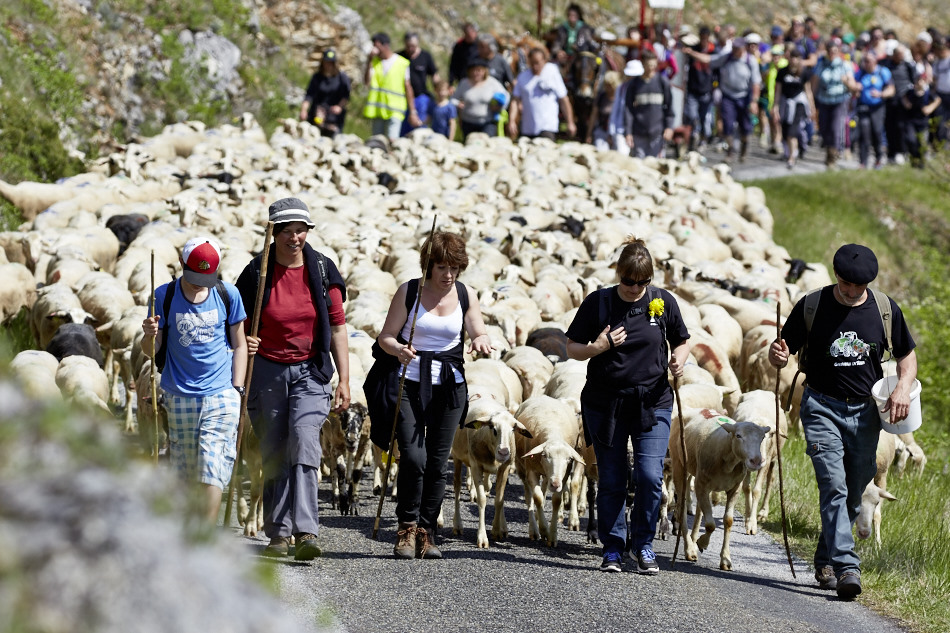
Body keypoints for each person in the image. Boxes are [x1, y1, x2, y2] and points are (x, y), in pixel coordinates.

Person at [768, 244, 917, 601]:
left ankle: (825, 559)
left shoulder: (884, 309)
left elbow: (907, 356)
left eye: (859, 286)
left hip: (867, 414)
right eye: (846, 284)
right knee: (833, 485)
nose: (851, 291)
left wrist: (902, 388)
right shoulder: (812, 305)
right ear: (837, 276)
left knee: (852, 492)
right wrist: (778, 355)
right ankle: (847, 566)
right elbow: (782, 350)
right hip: (821, 406)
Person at [566, 237, 690, 574]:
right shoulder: (600, 303)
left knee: (650, 475)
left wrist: (678, 360)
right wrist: (599, 346)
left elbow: (682, 340)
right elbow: (571, 347)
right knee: (612, 477)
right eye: (629, 281)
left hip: (653, 401)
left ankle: (644, 544)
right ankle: (613, 547)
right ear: (618, 274)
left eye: (642, 282)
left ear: (650, 279)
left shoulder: (663, 302)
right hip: (605, 404)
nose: (635, 288)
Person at [235, 197, 350, 561]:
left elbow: (338, 326)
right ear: (273, 233)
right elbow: (236, 324)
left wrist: (344, 378)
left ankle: (305, 529)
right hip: (266, 369)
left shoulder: (321, 268)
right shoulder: (256, 273)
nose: (295, 237)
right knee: (274, 449)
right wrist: (244, 340)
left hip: (310, 369)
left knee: (303, 440)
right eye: (287, 231)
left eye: (301, 230)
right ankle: (278, 534)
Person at [375, 231, 494, 559]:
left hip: (450, 386)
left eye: (454, 267)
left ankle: (427, 532)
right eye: (441, 267)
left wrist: (480, 340)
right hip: (409, 383)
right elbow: (386, 336)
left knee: (439, 462)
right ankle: (406, 528)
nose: (448, 275)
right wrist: (399, 348)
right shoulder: (409, 291)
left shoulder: (465, 294)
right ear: (428, 266)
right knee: (413, 457)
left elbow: (477, 328)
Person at [141, 237, 248, 523]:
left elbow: (240, 345)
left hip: (221, 393)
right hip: (179, 394)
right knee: (187, 469)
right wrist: (148, 334)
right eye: (194, 276)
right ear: (181, 266)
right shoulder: (163, 295)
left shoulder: (228, 294)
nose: (201, 283)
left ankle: (206, 535)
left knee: (211, 466)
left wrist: (237, 388)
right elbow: (150, 351)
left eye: (206, 277)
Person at [684, 36, 762, 161]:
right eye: (734, 48)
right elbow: (708, 59)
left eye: (737, 48)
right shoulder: (727, 57)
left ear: (743, 48)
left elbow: (756, 83)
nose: (735, 51)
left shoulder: (750, 60)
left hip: (744, 96)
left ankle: (744, 149)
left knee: (745, 126)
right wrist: (691, 53)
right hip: (728, 95)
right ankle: (730, 151)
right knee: (727, 124)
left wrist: (754, 101)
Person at [508, 47, 575, 141]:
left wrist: (570, 122)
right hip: (528, 128)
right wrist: (512, 121)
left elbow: (564, 99)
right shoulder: (522, 77)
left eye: (537, 63)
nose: (535, 67)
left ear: (544, 60)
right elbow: (515, 100)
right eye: (532, 63)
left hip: (547, 126)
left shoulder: (552, 72)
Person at [363, 32, 420, 140]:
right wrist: (369, 60)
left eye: (378, 46)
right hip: (378, 110)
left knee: (392, 140)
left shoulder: (401, 63)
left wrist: (412, 111)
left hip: (395, 110)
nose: (376, 49)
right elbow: (366, 82)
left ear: (386, 45)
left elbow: (408, 87)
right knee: (377, 141)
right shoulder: (374, 62)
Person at [623, 49, 675, 158]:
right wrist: (628, 132)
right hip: (639, 133)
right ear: (642, 64)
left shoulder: (662, 82)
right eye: (648, 65)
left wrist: (669, 127)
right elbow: (628, 109)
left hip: (657, 133)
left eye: (653, 65)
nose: (651, 68)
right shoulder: (634, 84)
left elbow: (669, 108)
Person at [812, 42, 856, 169]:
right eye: (830, 51)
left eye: (835, 51)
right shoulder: (821, 65)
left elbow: (853, 86)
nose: (832, 54)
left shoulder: (845, 66)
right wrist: (812, 102)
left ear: (839, 52)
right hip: (824, 100)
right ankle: (828, 150)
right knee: (824, 128)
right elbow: (814, 84)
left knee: (836, 128)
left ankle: (832, 156)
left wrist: (846, 82)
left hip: (839, 101)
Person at [853, 52, 895, 169]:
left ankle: (878, 159)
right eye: (864, 61)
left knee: (877, 132)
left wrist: (881, 94)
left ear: (875, 61)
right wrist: (855, 88)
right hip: (864, 107)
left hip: (878, 107)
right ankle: (863, 162)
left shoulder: (883, 72)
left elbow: (891, 89)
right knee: (864, 133)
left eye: (868, 61)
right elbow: (853, 87)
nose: (866, 64)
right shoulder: (860, 73)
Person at [299, 49, 351, 137]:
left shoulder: (342, 77)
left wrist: (339, 106)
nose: (328, 65)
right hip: (317, 115)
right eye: (326, 62)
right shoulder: (317, 77)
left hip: (333, 117)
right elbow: (309, 95)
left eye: (331, 63)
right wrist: (304, 110)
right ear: (322, 63)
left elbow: (346, 95)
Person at [452, 58, 508, 138]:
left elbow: (506, 96)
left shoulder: (492, 83)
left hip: (487, 123)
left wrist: (499, 106)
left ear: (484, 71)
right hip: (468, 123)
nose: (475, 73)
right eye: (473, 70)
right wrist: (458, 104)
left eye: (478, 70)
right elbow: (453, 99)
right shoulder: (464, 83)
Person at [773, 48, 810, 169]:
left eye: (796, 57)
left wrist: (812, 108)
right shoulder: (782, 72)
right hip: (785, 103)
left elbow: (808, 91)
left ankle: (791, 158)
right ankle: (790, 151)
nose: (794, 60)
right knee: (785, 130)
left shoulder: (804, 73)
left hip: (799, 104)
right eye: (792, 57)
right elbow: (777, 91)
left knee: (792, 132)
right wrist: (775, 106)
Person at [398, 32, 440, 136]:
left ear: (418, 44)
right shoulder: (399, 56)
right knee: (403, 127)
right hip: (403, 98)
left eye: (413, 46)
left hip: (421, 97)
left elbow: (434, 75)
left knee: (419, 127)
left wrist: (439, 91)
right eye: (408, 46)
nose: (410, 49)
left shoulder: (425, 56)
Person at [682, 26, 716, 150]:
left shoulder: (713, 51)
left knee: (704, 118)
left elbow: (710, 62)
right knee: (691, 116)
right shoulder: (693, 49)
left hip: (706, 90)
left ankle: (703, 139)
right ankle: (692, 138)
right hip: (693, 89)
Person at [901, 73, 941, 168]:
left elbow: (938, 100)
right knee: (911, 140)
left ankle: (921, 163)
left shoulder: (928, 93)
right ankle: (914, 160)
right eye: (917, 80)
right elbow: (902, 97)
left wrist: (929, 108)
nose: (919, 83)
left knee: (922, 143)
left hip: (923, 123)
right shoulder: (910, 92)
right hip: (911, 121)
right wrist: (906, 103)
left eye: (921, 81)